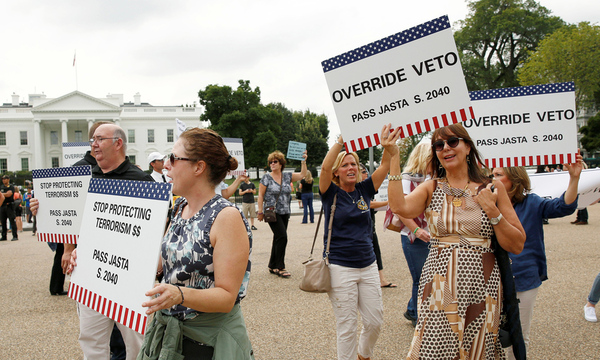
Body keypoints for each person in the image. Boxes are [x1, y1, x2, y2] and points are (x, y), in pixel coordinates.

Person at [387, 123, 526, 359]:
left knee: (478, 349)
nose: (445, 148)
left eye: (452, 142)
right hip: (439, 286)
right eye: (439, 145)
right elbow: (400, 207)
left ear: (468, 147)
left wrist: (492, 210)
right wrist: (393, 158)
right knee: (435, 348)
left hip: (482, 285)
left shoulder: (492, 187)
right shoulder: (431, 187)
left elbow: (517, 244)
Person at [33, 123, 154, 360]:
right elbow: (67, 218)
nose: (93, 145)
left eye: (99, 139)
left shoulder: (142, 181)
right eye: (92, 140)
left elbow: (154, 230)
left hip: (127, 274)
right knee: (91, 338)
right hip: (89, 270)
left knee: (136, 341)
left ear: (118, 143)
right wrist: (43, 208)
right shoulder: (82, 178)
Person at [136, 128, 254, 359]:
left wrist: (179, 295)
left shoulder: (226, 216)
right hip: (170, 335)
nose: (166, 165)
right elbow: (160, 265)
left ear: (199, 167)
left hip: (206, 343)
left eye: (173, 158)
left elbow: (226, 297)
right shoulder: (180, 207)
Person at [491, 156, 582, 359]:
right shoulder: (487, 203)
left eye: (498, 175)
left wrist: (574, 179)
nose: (492, 179)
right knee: (489, 335)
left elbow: (563, 207)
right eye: (492, 174)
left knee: (519, 337)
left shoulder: (531, 202)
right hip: (491, 279)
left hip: (523, 278)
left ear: (514, 179)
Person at [319, 125, 397, 360]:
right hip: (340, 267)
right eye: (345, 164)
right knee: (347, 327)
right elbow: (323, 167)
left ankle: (364, 354)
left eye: (354, 164)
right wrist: (341, 142)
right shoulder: (330, 192)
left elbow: (384, 166)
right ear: (337, 172)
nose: (351, 167)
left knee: (374, 321)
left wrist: (387, 145)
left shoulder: (364, 190)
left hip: (368, 266)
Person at [392, 142, 432, 327]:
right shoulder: (408, 179)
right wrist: (417, 229)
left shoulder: (435, 178)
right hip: (413, 236)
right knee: (421, 279)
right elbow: (401, 210)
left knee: (429, 277)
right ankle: (418, 318)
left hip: (431, 236)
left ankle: (411, 309)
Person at [257, 150, 307, 278]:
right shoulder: (266, 177)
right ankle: (280, 266)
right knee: (282, 236)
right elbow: (260, 195)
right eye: (271, 162)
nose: (272, 164)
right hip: (272, 212)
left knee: (278, 237)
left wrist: (303, 161)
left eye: (275, 161)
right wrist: (260, 211)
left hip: (285, 211)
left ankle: (272, 265)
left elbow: (302, 174)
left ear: (281, 164)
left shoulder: (287, 176)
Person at [359, 163, 396, 289]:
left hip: (370, 222)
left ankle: (381, 278)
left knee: (376, 249)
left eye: (366, 171)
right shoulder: (355, 189)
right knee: (370, 249)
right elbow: (369, 204)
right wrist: (390, 202)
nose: (366, 173)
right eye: (363, 171)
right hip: (362, 225)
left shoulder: (367, 186)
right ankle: (376, 279)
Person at [1, 174, 18, 241]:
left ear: (8, 179)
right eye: (3, 179)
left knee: (12, 221)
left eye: (5, 179)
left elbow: (9, 194)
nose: (3, 180)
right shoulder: (1, 187)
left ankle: (15, 236)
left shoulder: (11, 186)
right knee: (3, 222)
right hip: (3, 205)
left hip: (9, 206)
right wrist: (5, 194)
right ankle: (4, 236)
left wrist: (2, 194)